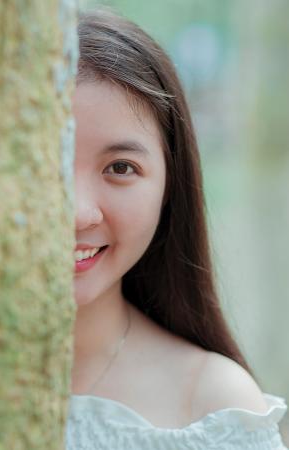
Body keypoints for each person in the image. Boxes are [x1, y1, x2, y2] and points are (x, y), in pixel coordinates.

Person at [66, 7, 288, 450]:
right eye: (45, 164)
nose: (77, 213)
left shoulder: (212, 408)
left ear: (170, 185)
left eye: (121, 167)